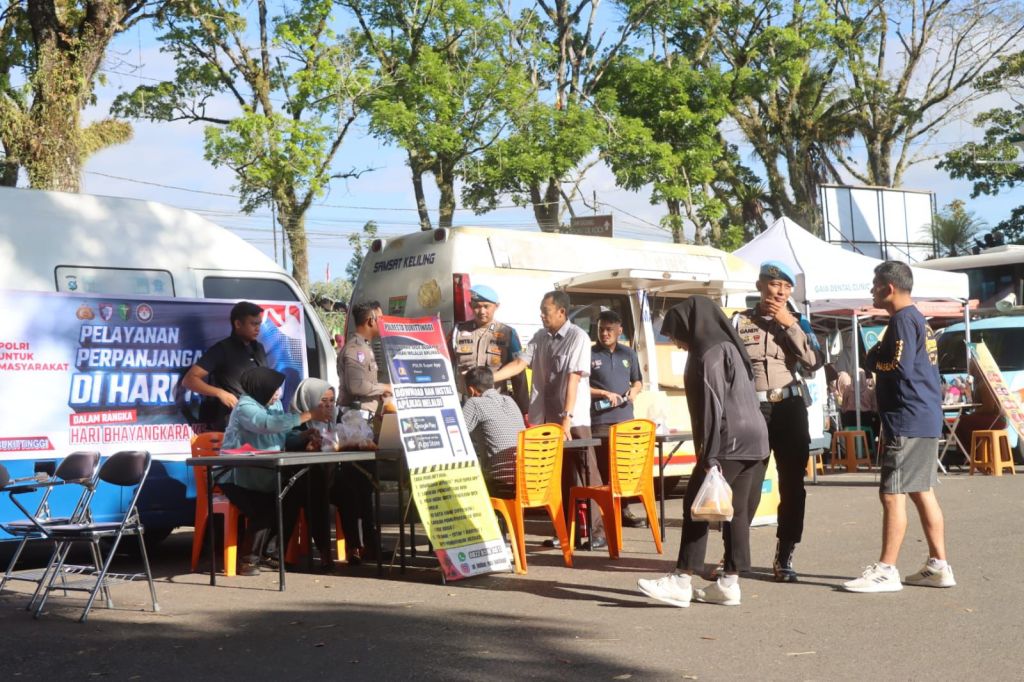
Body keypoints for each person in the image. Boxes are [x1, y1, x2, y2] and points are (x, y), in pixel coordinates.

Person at [637, 296, 769, 607]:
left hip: (728, 440)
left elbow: (712, 406)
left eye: (674, 333)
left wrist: (709, 457)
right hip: (756, 439)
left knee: (696, 504)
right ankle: (729, 583)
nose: (675, 341)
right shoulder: (731, 346)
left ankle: (682, 579)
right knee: (733, 511)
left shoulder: (707, 353)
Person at [842, 261, 955, 593]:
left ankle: (886, 569)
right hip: (923, 415)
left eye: (875, 285)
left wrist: (875, 359)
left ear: (888, 288)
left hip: (907, 417)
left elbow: (897, 365)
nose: (871, 291)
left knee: (892, 494)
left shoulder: (904, 320)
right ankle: (938, 565)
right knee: (921, 491)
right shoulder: (917, 319)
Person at [493, 290, 607, 550]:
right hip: (547, 419)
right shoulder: (540, 337)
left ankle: (598, 531)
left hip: (574, 420)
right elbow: (520, 364)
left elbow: (573, 380)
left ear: (561, 312)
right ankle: (568, 532)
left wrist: (566, 420)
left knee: (587, 473)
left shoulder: (578, 337)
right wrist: (491, 378)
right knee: (560, 477)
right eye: (542, 311)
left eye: (546, 310)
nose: (542, 315)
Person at [734, 260, 824, 582]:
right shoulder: (739, 321)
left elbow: (815, 361)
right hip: (753, 410)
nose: (781, 292)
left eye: (787, 287)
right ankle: (734, 555)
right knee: (746, 483)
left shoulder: (799, 321)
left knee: (792, 485)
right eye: (775, 285)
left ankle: (784, 554)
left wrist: (789, 324)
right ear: (761, 286)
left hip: (789, 407)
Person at [219, 367, 316, 576]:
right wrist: (305, 416)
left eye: (278, 390)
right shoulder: (245, 406)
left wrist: (305, 435)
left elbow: (282, 436)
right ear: (260, 389)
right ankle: (248, 561)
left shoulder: (275, 405)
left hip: (265, 473)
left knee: (293, 497)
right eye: (273, 391)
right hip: (235, 475)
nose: (277, 395)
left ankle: (272, 553)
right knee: (264, 507)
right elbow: (267, 424)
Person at [336, 301, 392, 559]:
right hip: (355, 421)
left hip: (365, 420)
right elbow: (358, 388)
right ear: (371, 320)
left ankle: (368, 544)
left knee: (365, 487)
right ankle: (357, 546)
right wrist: (385, 388)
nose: (382, 322)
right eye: (380, 318)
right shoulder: (356, 350)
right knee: (354, 487)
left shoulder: (364, 349)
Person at [588, 309, 645, 528]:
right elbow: (581, 385)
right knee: (603, 468)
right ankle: (603, 513)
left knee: (623, 467)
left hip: (625, 420)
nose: (604, 334)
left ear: (619, 330)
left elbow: (638, 381)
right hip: (600, 421)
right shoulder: (590, 354)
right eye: (601, 329)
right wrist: (603, 393)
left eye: (609, 330)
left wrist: (634, 391)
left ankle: (624, 510)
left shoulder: (628, 354)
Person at [284, 378, 342, 571]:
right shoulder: (296, 419)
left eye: (331, 401)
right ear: (309, 399)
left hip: (332, 477)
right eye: (322, 400)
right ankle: (325, 553)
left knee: (356, 487)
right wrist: (306, 440)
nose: (327, 405)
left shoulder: (336, 420)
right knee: (315, 491)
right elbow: (288, 442)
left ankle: (359, 547)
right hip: (301, 478)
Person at [183, 301, 268, 431]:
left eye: (259, 324)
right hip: (232, 424)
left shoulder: (259, 348)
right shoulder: (221, 349)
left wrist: (272, 390)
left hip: (260, 420)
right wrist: (220, 393)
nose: (257, 328)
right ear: (238, 324)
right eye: (253, 324)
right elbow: (189, 380)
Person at [451, 284, 529, 414]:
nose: (481, 311)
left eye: (486, 306)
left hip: (496, 406)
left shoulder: (508, 333)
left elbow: (518, 374)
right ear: (471, 306)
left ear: (496, 306)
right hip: (465, 405)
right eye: (477, 306)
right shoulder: (457, 332)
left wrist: (524, 408)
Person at [462, 366, 526, 498]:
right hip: (525, 478)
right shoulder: (510, 401)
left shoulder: (474, 403)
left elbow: (457, 435)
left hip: (499, 482)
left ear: (471, 390)